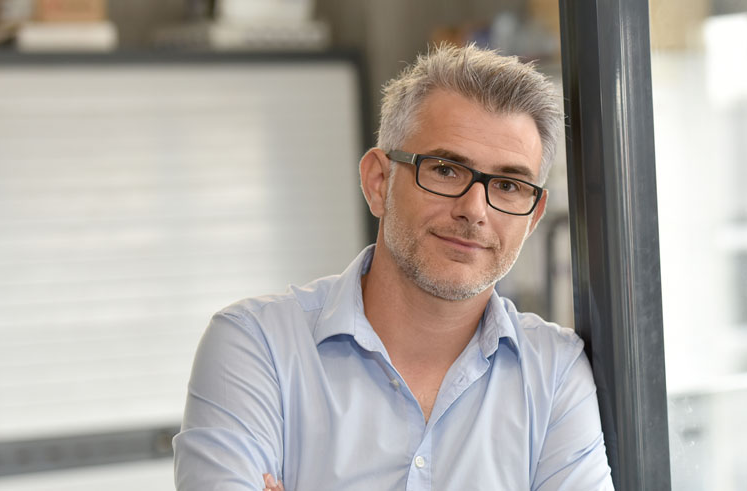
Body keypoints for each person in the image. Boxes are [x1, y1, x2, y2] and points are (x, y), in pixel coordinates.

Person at [172, 43, 614, 490]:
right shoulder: (255, 346)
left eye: (507, 185)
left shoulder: (556, 374)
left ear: (534, 216)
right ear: (379, 181)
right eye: (445, 170)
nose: (475, 209)